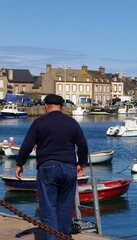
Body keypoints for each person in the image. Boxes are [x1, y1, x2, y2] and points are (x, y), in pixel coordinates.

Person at [15, 94, 89, 239]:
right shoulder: (72, 123)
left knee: (48, 209)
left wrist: (20, 163)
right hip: (68, 168)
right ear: (61, 107)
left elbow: (27, 145)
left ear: (46, 106)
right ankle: (63, 236)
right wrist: (81, 163)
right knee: (65, 208)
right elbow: (82, 145)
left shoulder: (39, 123)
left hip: (47, 167)